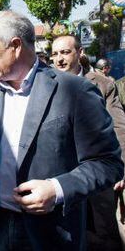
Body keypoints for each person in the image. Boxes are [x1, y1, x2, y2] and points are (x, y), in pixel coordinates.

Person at [0, 11, 123, 250]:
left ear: (15, 46)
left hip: (52, 232)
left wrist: (57, 189)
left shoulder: (76, 91)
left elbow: (108, 162)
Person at [52, 35, 125, 250]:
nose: (59, 59)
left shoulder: (103, 84)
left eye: (65, 52)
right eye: (55, 54)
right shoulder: (46, 83)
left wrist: (121, 167)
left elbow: (119, 127)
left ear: (80, 52)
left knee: (105, 234)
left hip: (98, 173)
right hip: (61, 173)